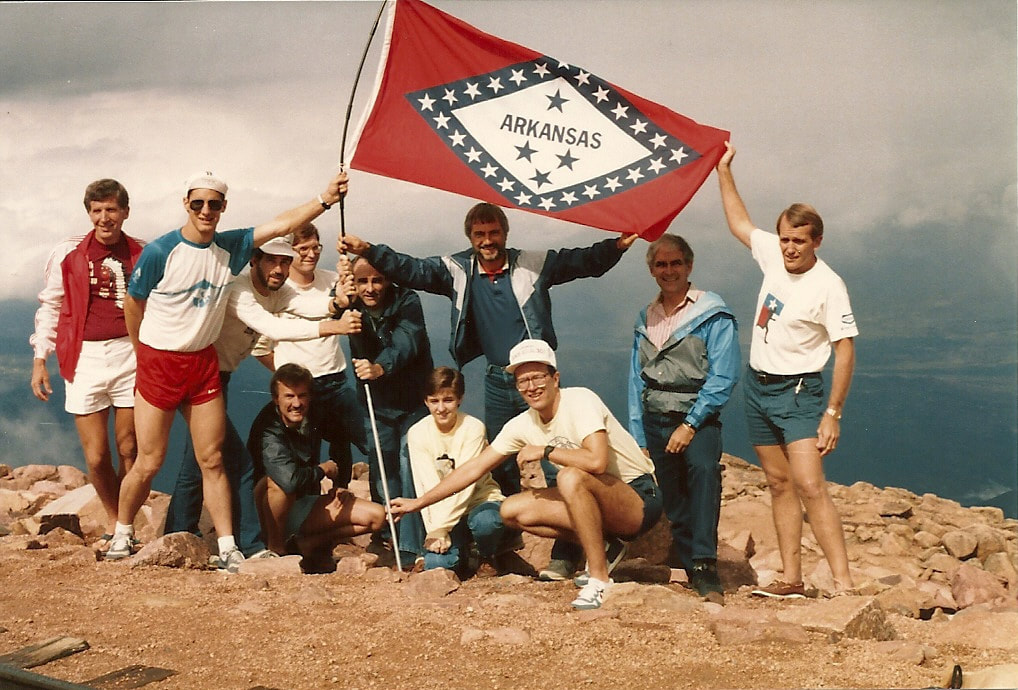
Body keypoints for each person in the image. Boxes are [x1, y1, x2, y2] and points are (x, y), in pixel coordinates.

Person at [342, 202, 637, 580]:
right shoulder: (457, 270)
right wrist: (368, 251)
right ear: (470, 237)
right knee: (504, 461)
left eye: (493, 233)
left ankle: (570, 548)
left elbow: (579, 262)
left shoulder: (531, 263)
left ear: (505, 234)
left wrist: (617, 246)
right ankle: (506, 545)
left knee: (558, 459)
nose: (487, 241)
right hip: (500, 379)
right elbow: (411, 269)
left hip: (538, 381)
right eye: (479, 234)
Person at [107, 168, 348, 572]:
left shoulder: (232, 246)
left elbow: (283, 223)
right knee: (150, 460)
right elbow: (134, 303)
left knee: (213, 459)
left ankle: (228, 545)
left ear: (223, 207)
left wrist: (324, 200)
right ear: (186, 203)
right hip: (159, 363)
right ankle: (121, 531)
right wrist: (141, 350)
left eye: (214, 204)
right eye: (198, 203)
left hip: (203, 364)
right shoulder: (161, 251)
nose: (206, 210)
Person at [391, 339, 663, 610]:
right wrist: (419, 502)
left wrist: (546, 450)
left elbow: (596, 461)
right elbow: (473, 468)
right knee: (510, 510)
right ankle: (604, 545)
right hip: (592, 500)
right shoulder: (522, 424)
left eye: (537, 377)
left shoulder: (580, 400)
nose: (531, 387)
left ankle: (599, 579)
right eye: (523, 381)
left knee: (570, 476)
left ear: (555, 378)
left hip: (636, 496)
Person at [716, 143, 858, 598]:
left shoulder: (828, 285)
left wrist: (832, 412)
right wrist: (723, 170)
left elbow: (845, 349)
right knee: (778, 483)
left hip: (799, 394)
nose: (790, 248)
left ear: (817, 240)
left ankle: (843, 585)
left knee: (811, 485)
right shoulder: (773, 257)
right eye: (785, 239)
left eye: (799, 240)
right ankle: (792, 580)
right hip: (758, 388)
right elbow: (739, 223)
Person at [163, 236, 362, 560]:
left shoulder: (277, 290)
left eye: (285, 262)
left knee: (198, 461)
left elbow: (304, 306)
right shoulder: (240, 289)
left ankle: (179, 536)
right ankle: (251, 547)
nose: (280, 268)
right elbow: (273, 327)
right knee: (236, 463)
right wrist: (334, 326)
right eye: (272, 260)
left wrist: (335, 302)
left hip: (215, 378)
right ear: (254, 260)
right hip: (202, 378)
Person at [30, 178, 144, 548]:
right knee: (96, 456)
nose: (104, 218)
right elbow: (51, 305)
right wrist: (40, 358)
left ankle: (123, 526)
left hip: (131, 352)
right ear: (89, 213)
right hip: (84, 356)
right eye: (97, 210)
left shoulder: (142, 252)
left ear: (125, 212)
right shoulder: (69, 252)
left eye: (111, 209)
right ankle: (113, 516)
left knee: (129, 447)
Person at [628, 233, 740, 601]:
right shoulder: (646, 316)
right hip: (654, 416)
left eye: (676, 263)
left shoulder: (712, 313)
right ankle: (688, 558)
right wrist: (637, 433)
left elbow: (724, 374)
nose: (669, 270)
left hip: (695, 416)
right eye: (661, 264)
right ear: (651, 270)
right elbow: (635, 375)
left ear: (689, 266)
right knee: (672, 492)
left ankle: (706, 566)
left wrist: (691, 424)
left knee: (704, 475)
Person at [255, 224, 367, 490]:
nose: (311, 254)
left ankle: (343, 496)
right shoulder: (280, 291)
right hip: (299, 388)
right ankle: (311, 508)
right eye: (302, 249)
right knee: (306, 450)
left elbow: (350, 311)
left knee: (350, 440)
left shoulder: (331, 281)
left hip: (335, 379)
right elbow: (259, 345)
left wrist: (348, 280)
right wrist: (283, 372)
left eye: (316, 247)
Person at [335, 254, 433, 550]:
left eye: (377, 280)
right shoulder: (350, 302)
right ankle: (390, 535)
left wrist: (379, 367)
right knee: (381, 467)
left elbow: (407, 341)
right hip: (375, 403)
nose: (370, 288)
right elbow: (326, 312)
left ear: (389, 279)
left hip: (412, 399)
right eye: (362, 280)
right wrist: (340, 297)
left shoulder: (407, 301)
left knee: (410, 462)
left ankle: (415, 538)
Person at [249, 363, 385, 571]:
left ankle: (305, 544)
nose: (297, 403)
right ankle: (276, 550)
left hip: (303, 504)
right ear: (276, 399)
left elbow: (340, 438)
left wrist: (340, 484)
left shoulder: (316, 413)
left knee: (376, 516)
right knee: (277, 485)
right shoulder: (268, 427)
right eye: (289, 396)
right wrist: (323, 470)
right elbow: (289, 481)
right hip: (268, 510)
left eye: (302, 396)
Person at [401, 366, 513, 576]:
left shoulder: (473, 428)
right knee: (436, 564)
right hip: (442, 509)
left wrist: (441, 528)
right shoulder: (417, 433)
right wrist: (436, 529)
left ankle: (485, 553)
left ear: (460, 399)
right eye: (434, 401)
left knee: (487, 523)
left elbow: (465, 485)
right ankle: (460, 550)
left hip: (477, 501)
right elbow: (427, 484)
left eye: (448, 400)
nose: (441, 408)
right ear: (426, 401)